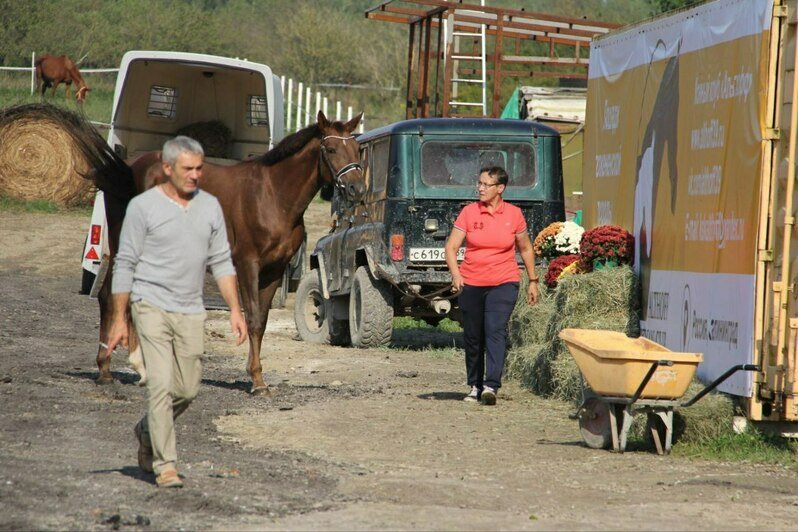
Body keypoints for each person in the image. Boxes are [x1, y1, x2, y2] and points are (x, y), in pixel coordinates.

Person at [105, 136, 247, 488]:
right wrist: (119, 319)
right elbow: (124, 264)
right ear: (168, 169)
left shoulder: (210, 207)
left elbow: (222, 263)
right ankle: (165, 464)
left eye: (200, 168)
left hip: (191, 310)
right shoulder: (144, 208)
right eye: (188, 169)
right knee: (161, 384)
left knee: (187, 389)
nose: (196, 175)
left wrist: (235, 309)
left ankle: (146, 429)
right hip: (150, 305)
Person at [444, 166, 539, 405]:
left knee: (495, 330)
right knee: (474, 336)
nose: (480, 188)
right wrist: (456, 275)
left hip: (504, 281)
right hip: (471, 282)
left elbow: (525, 248)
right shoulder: (469, 212)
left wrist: (533, 281)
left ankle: (491, 385)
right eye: (479, 183)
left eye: (486, 184)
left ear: (500, 188)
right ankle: (475, 385)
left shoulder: (514, 215)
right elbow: (451, 247)